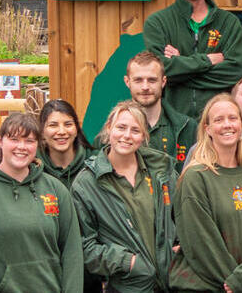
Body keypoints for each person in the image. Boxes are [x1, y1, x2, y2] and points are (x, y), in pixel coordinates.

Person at [0, 113, 84, 293]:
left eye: (29, 141)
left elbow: (72, 252)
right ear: (0, 141)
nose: (21, 147)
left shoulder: (55, 190)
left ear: (37, 145)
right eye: (14, 139)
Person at [72, 100, 179, 292]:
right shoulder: (87, 183)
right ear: (108, 129)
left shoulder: (161, 171)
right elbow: (83, 246)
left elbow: (183, 214)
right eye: (121, 127)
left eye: (135, 130)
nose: (127, 136)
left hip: (170, 284)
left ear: (144, 136)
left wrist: (180, 248)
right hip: (126, 286)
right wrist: (128, 262)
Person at [170, 95, 242, 293]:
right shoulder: (195, 177)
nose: (227, 125)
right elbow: (201, 242)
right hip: (203, 287)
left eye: (233, 118)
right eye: (218, 120)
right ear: (207, 129)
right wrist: (234, 282)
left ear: (241, 124)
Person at [142, 0, 242, 120]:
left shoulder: (229, 23)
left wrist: (180, 66)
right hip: (172, 122)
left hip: (217, 121)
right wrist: (207, 61)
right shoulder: (157, 23)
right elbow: (160, 71)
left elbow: (234, 73)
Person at [126, 51, 198, 168]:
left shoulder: (188, 128)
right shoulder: (116, 129)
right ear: (127, 82)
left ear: (163, 82)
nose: (145, 87)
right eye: (138, 80)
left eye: (152, 80)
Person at [40, 99, 94, 186]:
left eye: (68, 124)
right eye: (53, 125)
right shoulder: (32, 167)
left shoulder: (95, 163)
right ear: (42, 132)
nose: (62, 131)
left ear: (76, 129)